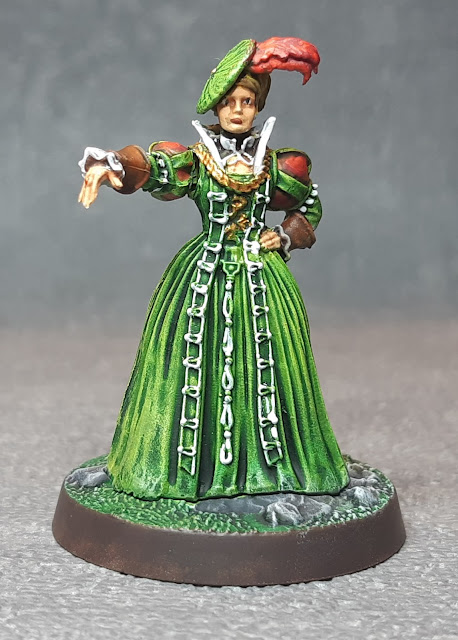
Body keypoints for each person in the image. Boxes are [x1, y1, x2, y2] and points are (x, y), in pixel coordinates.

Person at [78, 38, 349, 501]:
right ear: (217, 107)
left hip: (261, 275)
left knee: (270, 365)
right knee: (186, 360)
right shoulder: (197, 158)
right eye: (229, 102)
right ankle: (184, 466)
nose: (238, 111)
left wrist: (284, 236)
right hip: (204, 272)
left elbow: (310, 203)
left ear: (257, 106)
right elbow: (153, 169)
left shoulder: (275, 162)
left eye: (247, 102)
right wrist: (111, 165)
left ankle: (269, 468)